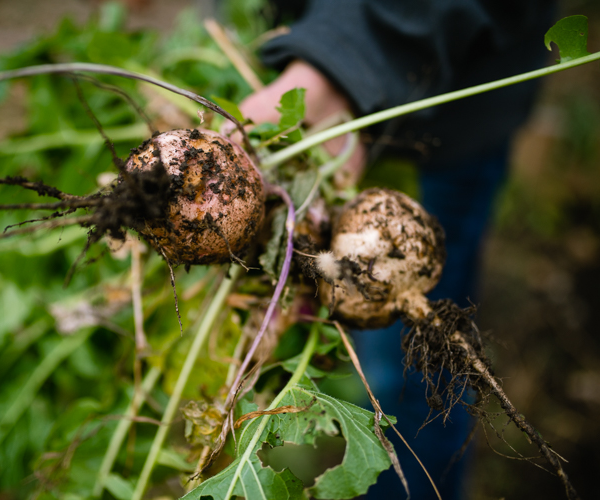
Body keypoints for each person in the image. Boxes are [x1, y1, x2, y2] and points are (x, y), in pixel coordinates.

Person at [221, 1, 556, 498]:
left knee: (409, 383)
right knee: (405, 369)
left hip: (450, 106)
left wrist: (340, 63)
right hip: (334, 67)